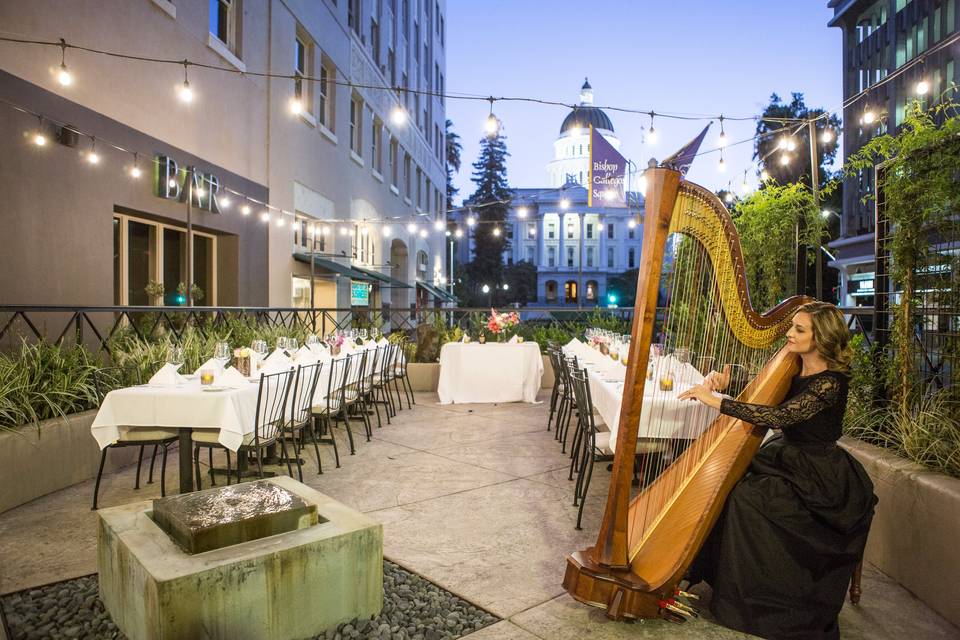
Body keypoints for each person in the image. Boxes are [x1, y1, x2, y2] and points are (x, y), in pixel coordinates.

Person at [677, 301, 877, 640]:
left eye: (799, 329)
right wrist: (726, 379)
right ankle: (720, 577)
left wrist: (718, 402)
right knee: (729, 485)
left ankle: (761, 600)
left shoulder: (831, 383)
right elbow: (763, 388)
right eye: (791, 327)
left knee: (747, 500)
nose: (789, 333)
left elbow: (780, 417)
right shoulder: (793, 367)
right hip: (786, 459)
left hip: (818, 475)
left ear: (822, 337)